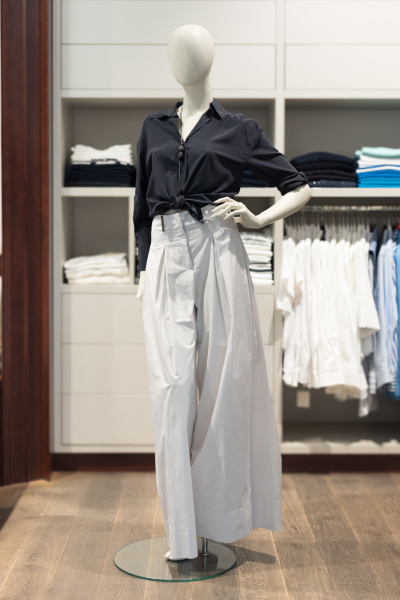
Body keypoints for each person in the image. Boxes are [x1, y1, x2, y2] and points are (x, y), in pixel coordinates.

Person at [133, 24, 311, 561]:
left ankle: (214, 521)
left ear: (208, 60)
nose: (181, 58)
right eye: (175, 49)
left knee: (222, 389)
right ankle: (181, 533)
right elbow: (141, 205)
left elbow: (299, 187)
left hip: (218, 245)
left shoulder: (238, 129)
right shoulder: (153, 128)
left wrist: (258, 219)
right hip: (165, 252)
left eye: (191, 50)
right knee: (171, 391)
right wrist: (143, 270)